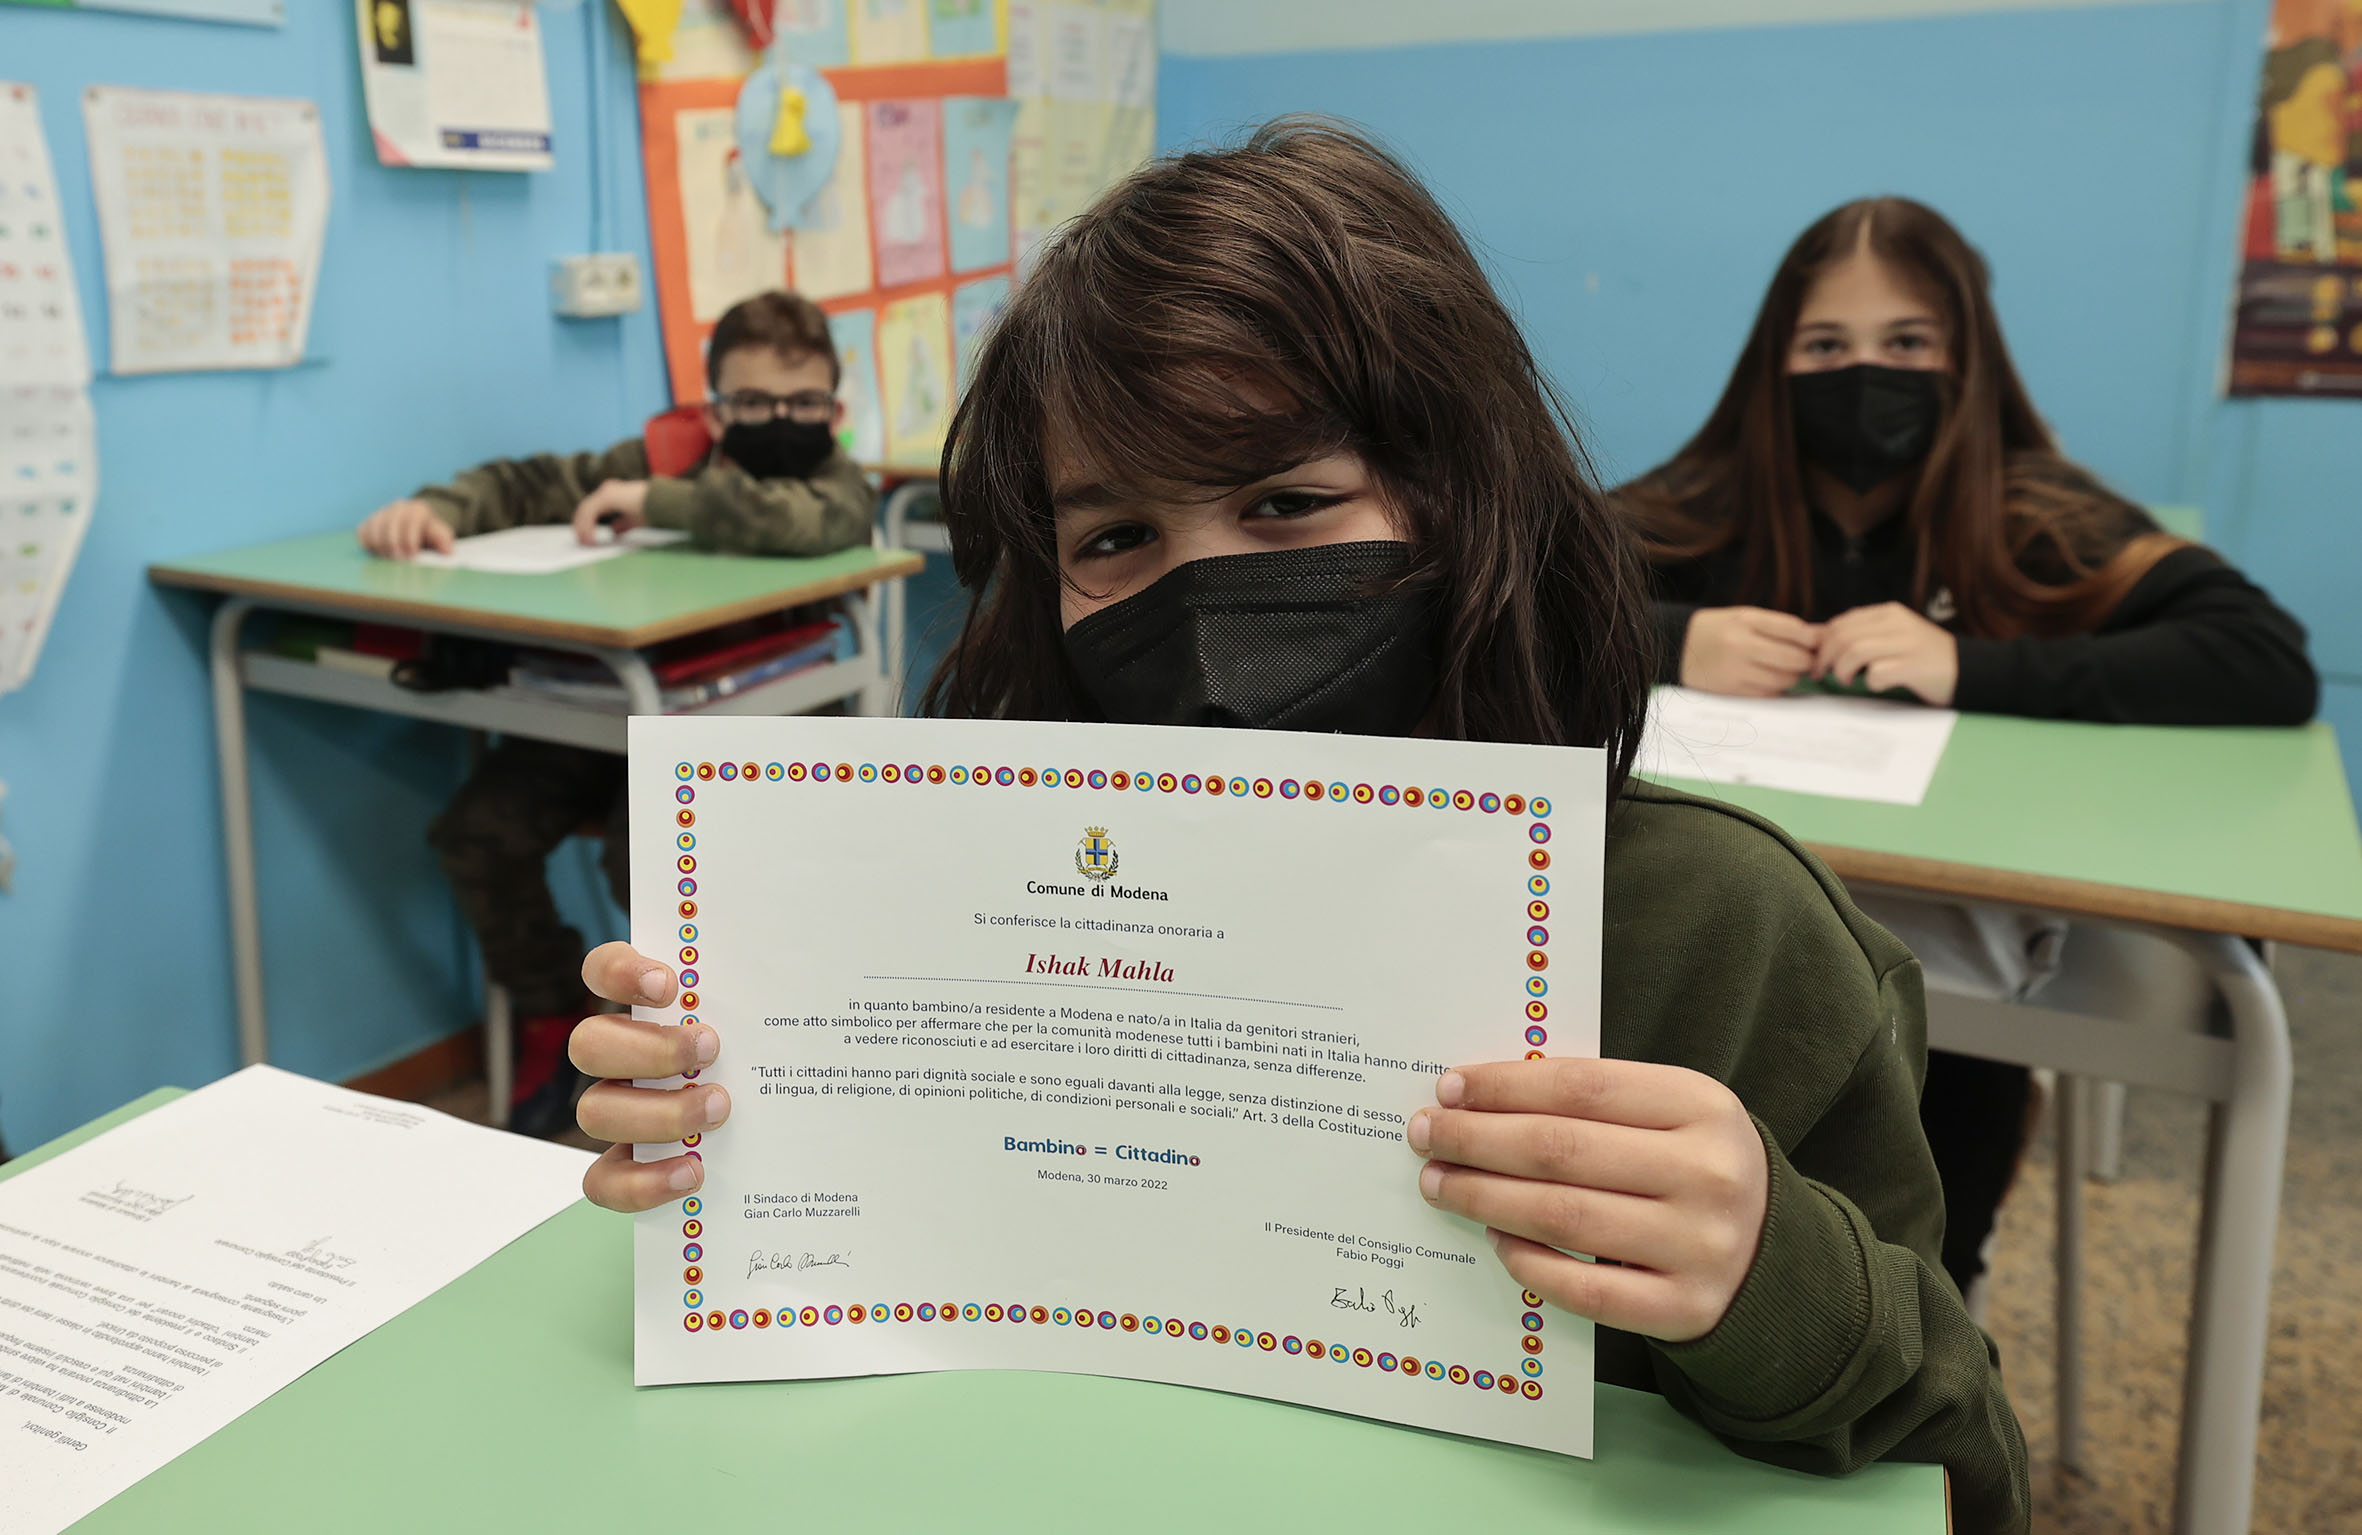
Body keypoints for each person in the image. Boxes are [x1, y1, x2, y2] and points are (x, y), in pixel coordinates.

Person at [561, 124, 2031, 1532]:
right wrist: (732, 1142)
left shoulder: (1724, 935)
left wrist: (1771, 1270)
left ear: (1462, 499)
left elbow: (1958, 1468)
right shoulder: (978, 921)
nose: (1206, 614)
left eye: (1287, 501)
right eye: (1115, 538)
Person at [1613, 198, 2317, 1304]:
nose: (1865, 375)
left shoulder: (2028, 511)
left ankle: (1934, 1293)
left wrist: (1968, 666)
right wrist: (1672, 636)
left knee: (1929, 1129)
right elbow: (1498, 596)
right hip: (1736, 938)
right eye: (1824, 346)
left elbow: (2259, 658)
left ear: (1966, 358)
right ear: (1771, 363)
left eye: (1907, 343)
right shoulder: (1707, 501)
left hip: (1957, 966)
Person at [357, 290, 877, 1137]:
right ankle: (554, 1020)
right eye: (753, 403)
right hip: (616, 722)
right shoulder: (665, 457)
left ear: (835, 411)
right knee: (477, 831)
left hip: (749, 740)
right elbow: (531, 483)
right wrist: (438, 509)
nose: (781, 421)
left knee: (648, 855)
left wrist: (661, 502)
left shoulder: (837, 482)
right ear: (715, 412)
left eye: (804, 403)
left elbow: (806, 521)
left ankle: (704, 1046)